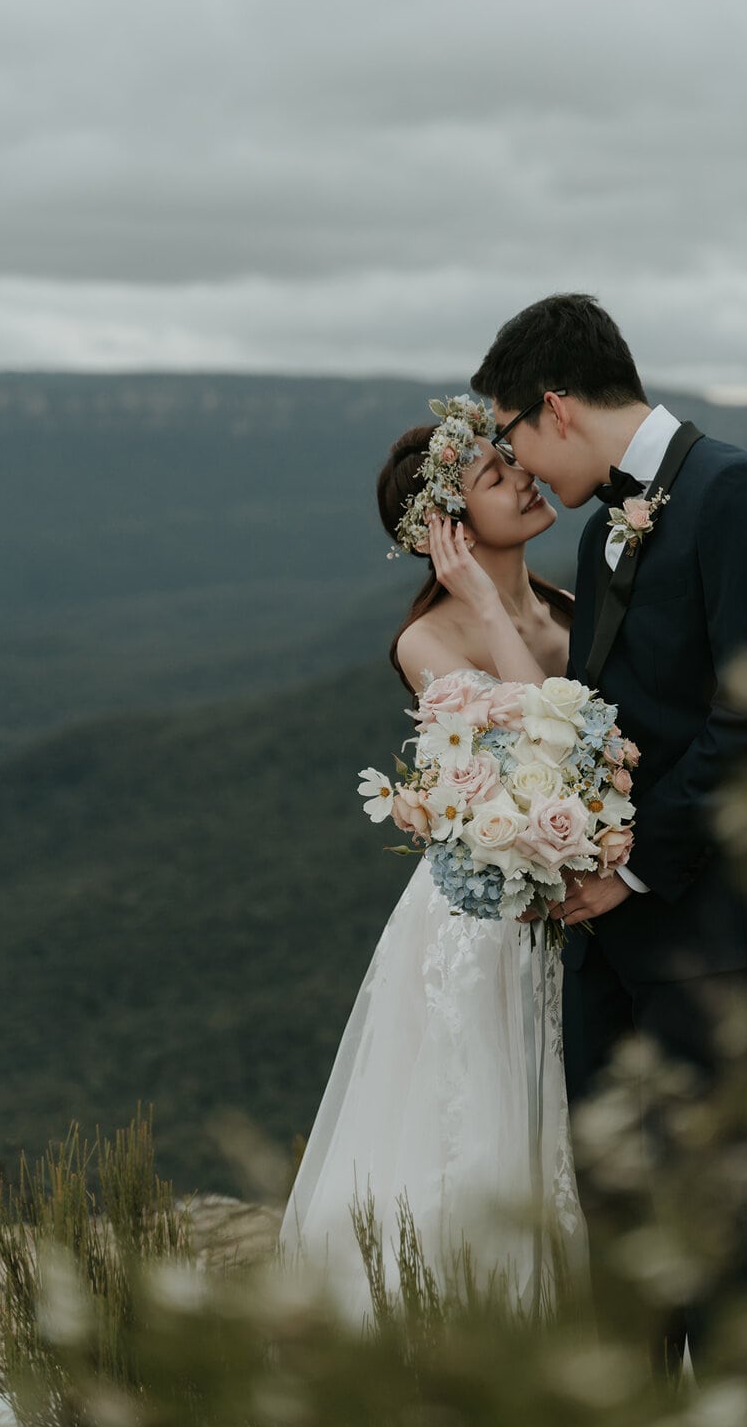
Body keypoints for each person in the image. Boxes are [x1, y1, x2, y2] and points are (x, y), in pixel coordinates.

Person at [470, 295, 747, 1372]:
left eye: (515, 434)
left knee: (703, 1208)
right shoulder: (602, 520)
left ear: (557, 408)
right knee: (614, 1208)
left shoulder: (735, 492)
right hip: (611, 933)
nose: (518, 466)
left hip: (710, 922)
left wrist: (634, 868)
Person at [278, 397, 585, 1323]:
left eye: (514, 464)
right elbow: (547, 747)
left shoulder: (571, 605)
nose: (526, 477)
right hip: (487, 923)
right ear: (447, 530)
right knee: (480, 1136)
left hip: (575, 897)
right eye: (498, 476)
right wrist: (490, 604)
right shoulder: (429, 640)